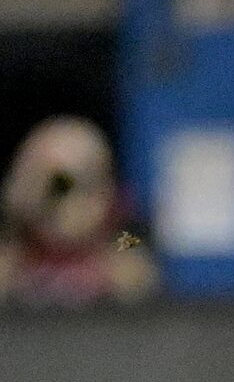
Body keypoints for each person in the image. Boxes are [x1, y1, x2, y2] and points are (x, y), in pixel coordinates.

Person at [0, 115, 157, 306]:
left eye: (64, 184)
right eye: (37, 180)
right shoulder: (11, 261)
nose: (54, 202)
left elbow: (139, 269)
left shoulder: (123, 249)